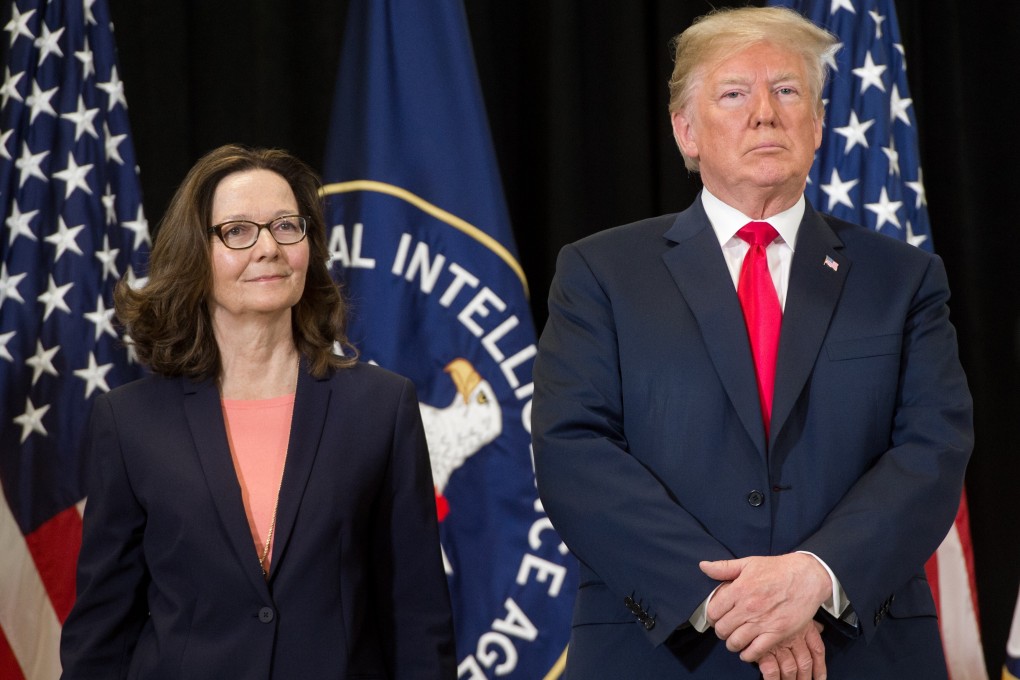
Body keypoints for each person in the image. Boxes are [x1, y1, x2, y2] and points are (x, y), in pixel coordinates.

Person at [532, 7, 972, 680]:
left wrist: (815, 579)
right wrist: (722, 600)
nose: (764, 113)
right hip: (667, 651)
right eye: (734, 93)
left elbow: (932, 450)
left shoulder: (904, 279)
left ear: (819, 124)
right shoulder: (601, 273)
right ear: (686, 131)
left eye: (788, 91)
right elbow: (573, 450)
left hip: (856, 652)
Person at [59, 144, 457, 679]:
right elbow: (102, 630)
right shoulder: (130, 422)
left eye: (286, 226)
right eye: (238, 231)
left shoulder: (381, 407)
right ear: (195, 255)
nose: (268, 247)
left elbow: (416, 617)